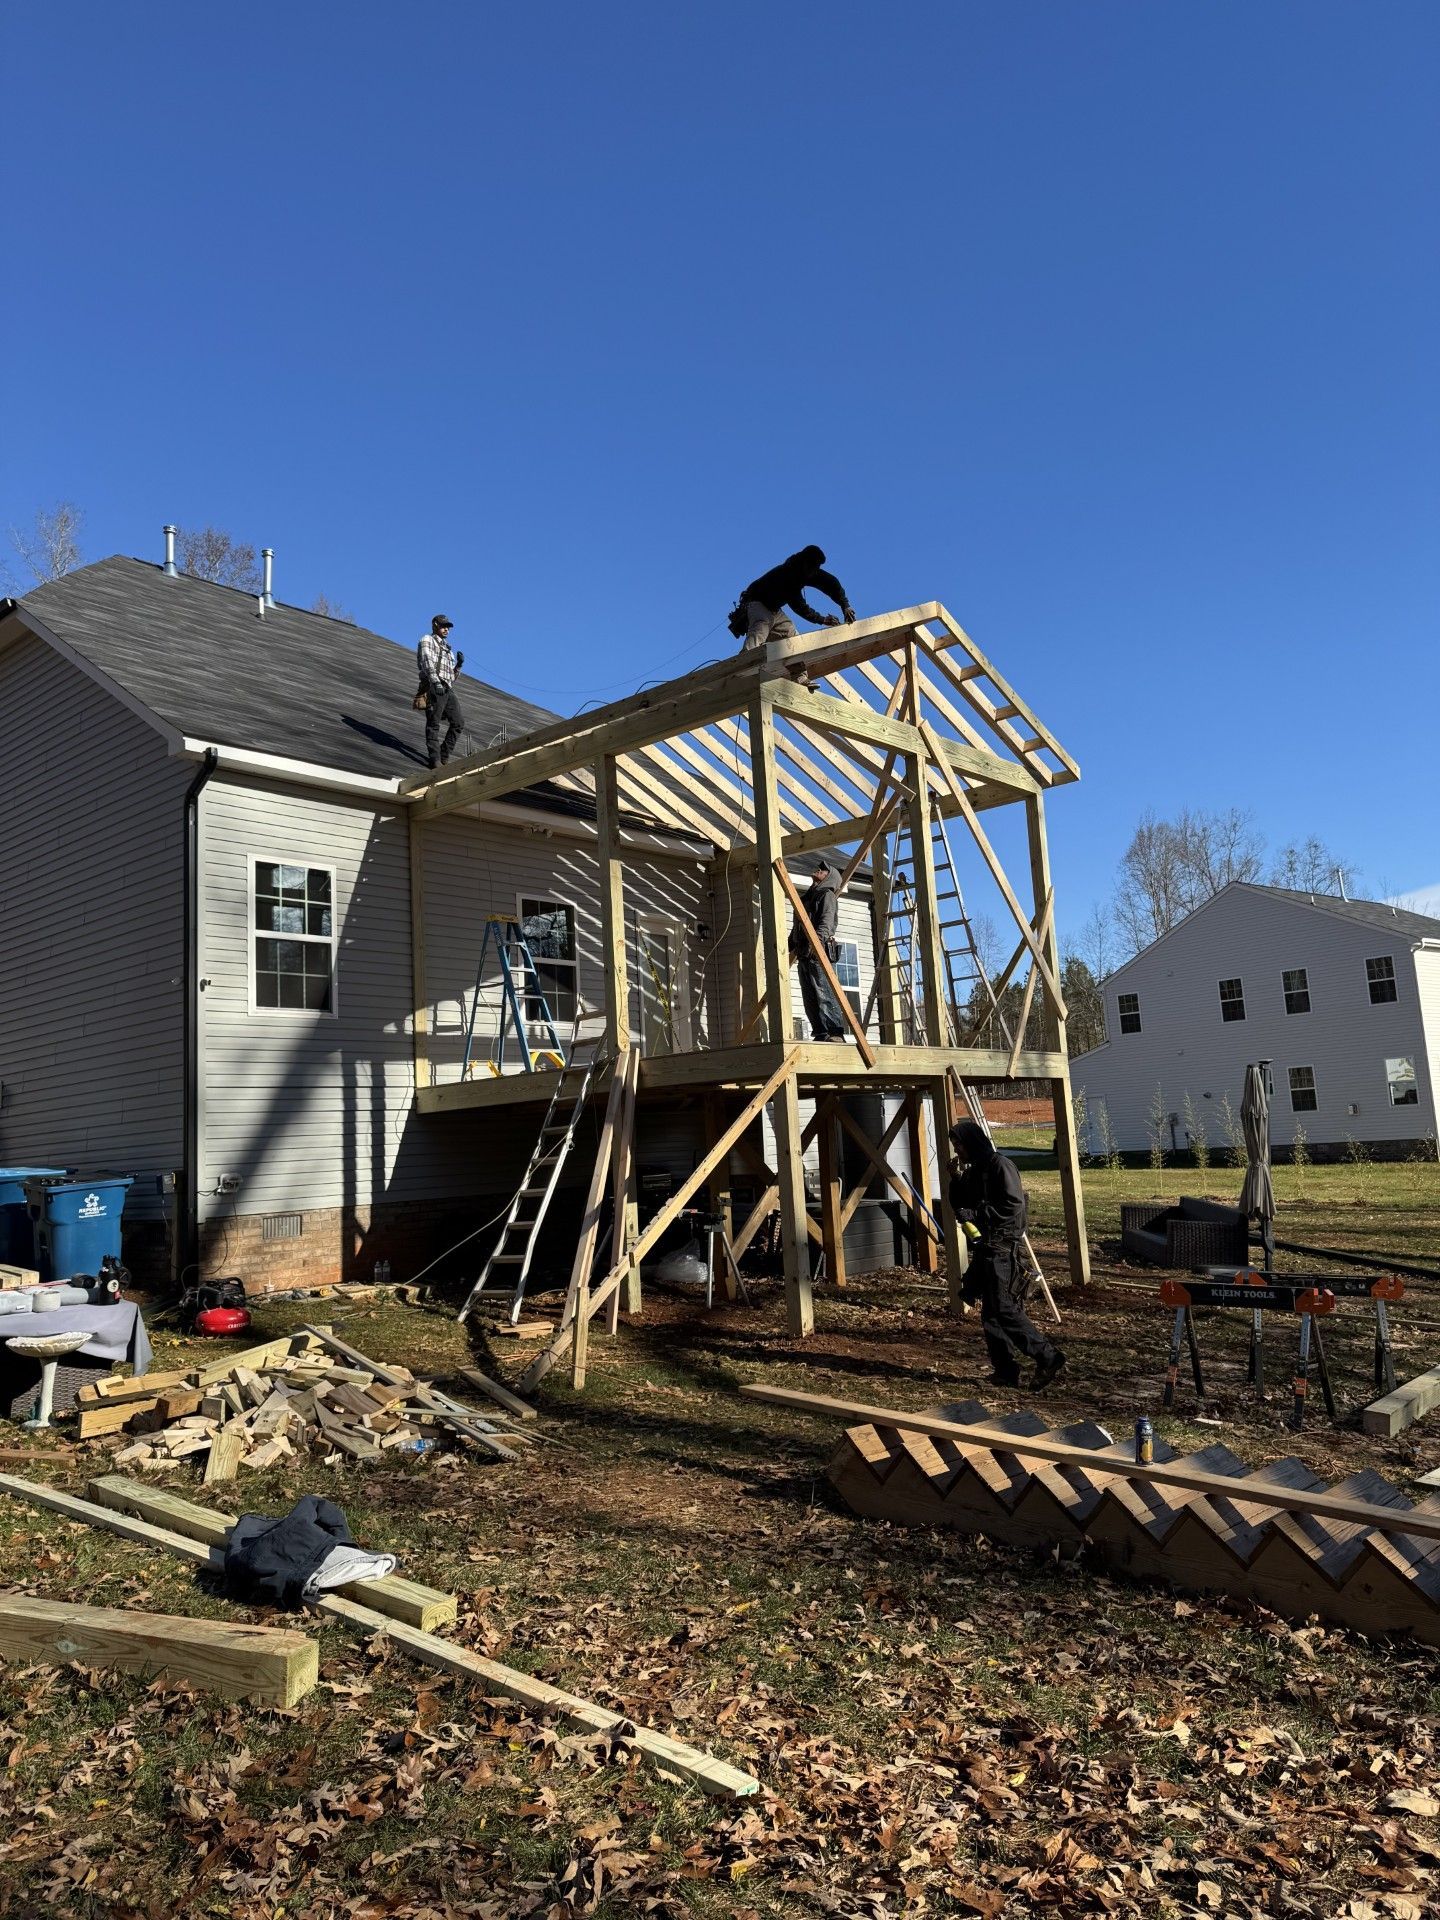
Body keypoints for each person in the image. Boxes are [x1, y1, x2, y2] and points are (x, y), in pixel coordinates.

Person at [948, 1119, 1066, 1389]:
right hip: (986, 1248)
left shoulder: (1000, 1165)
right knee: (990, 1315)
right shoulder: (975, 1170)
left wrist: (979, 1214)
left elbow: (1013, 1204)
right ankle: (1005, 1372)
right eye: (955, 1145)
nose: (958, 1151)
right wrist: (956, 1181)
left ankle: (1047, 1356)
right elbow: (961, 1204)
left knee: (1004, 1309)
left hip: (1004, 1249)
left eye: (960, 1144)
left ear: (973, 1142)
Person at [731, 546, 856, 652]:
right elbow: (799, 606)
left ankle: (799, 676)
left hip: (774, 609)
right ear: (805, 563)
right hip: (757, 602)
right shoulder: (789, 574)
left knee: (791, 635)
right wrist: (822, 619)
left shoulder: (809, 571)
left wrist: (845, 605)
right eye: (813, 568)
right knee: (761, 626)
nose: (814, 572)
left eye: (816, 568)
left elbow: (831, 583)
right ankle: (745, 664)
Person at [789, 858, 849, 1041]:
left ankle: (835, 1032)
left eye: (823, 870)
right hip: (804, 952)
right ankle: (821, 1032)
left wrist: (815, 944)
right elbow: (796, 927)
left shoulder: (826, 895)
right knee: (810, 996)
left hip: (818, 951)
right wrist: (789, 945)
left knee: (823, 992)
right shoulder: (807, 898)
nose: (818, 870)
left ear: (829, 877)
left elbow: (825, 923)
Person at [416, 614, 465, 768]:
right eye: (444, 626)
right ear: (435, 625)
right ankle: (435, 759)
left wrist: (458, 665)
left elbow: (451, 677)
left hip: (446, 687)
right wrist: (435, 681)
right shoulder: (427, 640)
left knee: (458, 723)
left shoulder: (448, 649)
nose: (446, 630)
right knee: (434, 722)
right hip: (433, 685)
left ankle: (443, 756)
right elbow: (426, 662)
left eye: (448, 627)